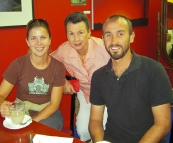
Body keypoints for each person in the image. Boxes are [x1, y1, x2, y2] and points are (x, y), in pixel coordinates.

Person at [89, 15, 173, 143]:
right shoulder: (98, 76)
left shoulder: (154, 70)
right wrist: (100, 142)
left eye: (120, 34)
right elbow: (95, 120)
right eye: (108, 35)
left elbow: (163, 124)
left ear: (131, 37)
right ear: (103, 39)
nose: (113, 41)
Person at [51, 11, 110, 142]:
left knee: (105, 127)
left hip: (108, 93)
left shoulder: (104, 47)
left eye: (80, 33)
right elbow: (49, 64)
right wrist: (62, 80)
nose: (76, 39)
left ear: (89, 32)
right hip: (85, 93)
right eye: (71, 34)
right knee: (83, 130)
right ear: (67, 35)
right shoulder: (64, 50)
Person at [0, 19, 66, 130]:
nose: (39, 43)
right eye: (33, 38)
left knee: (38, 133)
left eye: (43, 37)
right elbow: (1, 95)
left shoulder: (58, 67)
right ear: (27, 42)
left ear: (50, 40)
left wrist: (31, 123)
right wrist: (2, 105)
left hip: (49, 115)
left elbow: (54, 104)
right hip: (21, 112)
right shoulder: (18, 64)